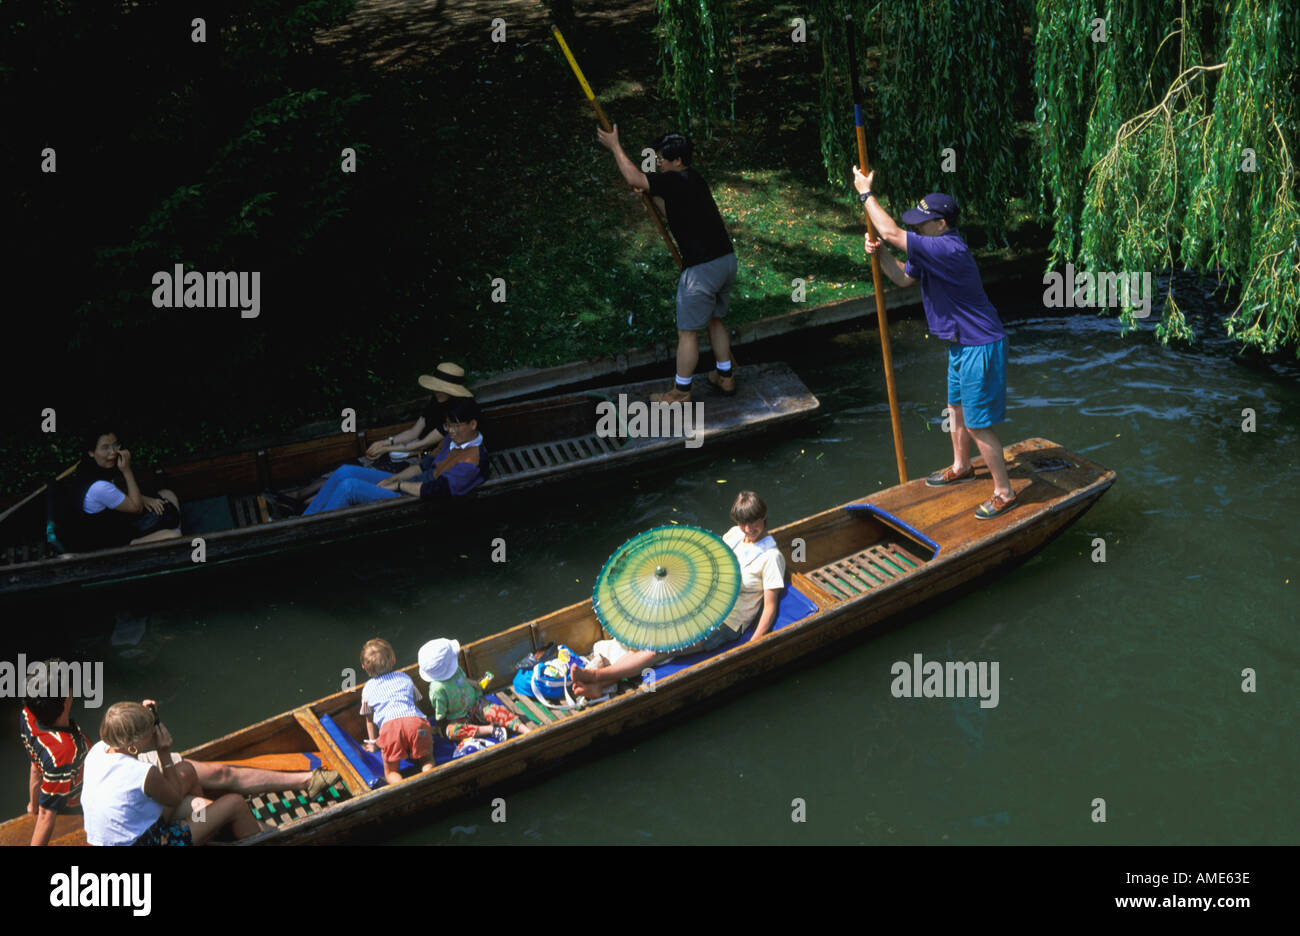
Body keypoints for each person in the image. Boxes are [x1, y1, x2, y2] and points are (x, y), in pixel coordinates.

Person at [853, 167, 1015, 519]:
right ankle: (962, 465)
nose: (916, 226)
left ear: (941, 224)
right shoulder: (929, 250)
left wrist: (866, 195)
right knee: (955, 409)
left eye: (923, 222)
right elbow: (901, 279)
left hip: (980, 344)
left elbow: (891, 231)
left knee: (977, 422)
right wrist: (879, 254)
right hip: (959, 344)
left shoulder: (947, 248)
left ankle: (1004, 490)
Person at [572, 491, 785, 698]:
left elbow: (770, 607)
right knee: (653, 633)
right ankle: (599, 684)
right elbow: (713, 562)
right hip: (705, 604)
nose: (748, 529)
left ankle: (597, 676)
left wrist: (752, 645)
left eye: (753, 522)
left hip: (726, 624)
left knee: (659, 648)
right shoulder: (734, 535)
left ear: (764, 516)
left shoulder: (771, 557)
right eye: (742, 522)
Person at [596, 126, 738, 403]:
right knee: (714, 319)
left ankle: (680, 392)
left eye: (662, 159)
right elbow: (672, 212)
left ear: (677, 161)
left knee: (687, 332)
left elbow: (632, 177)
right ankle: (726, 376)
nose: (658, 162)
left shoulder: (672, 180)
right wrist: (651, 195)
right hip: (725, 261)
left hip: (701, 270)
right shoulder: (693, 179)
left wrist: (614, 146)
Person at [80, 700, 340, 845]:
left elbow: (125, 727)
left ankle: (207, 828)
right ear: (134, 744)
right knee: (235, 804)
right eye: (151, 730)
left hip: (124, 836)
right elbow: (171, 798)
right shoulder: (141, 773)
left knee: (188, 774)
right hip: (151, 843)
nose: (155, 732)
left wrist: (142, 712)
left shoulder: (100, 749)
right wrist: (163, 753)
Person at [281, 363, 475, 507]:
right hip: (411, 459)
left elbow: (422, 445)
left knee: (352, 482)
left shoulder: (456, 420)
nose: (436, 391)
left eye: (441, 388)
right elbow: (414, 432)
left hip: (412, 458)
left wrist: (390, 457)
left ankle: (306, 507)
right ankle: (299, 500)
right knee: (345, 470)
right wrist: (386, 441)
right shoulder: (436, 404)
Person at [301, 397, 487, 515]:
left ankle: (311, 527)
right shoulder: (450, 440)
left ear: (473, 424)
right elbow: (421, 466)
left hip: (417, 497)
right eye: (448, 426)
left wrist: (397, 485)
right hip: (411, 483)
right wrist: (394, 478)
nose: (451, 431)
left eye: (456, 426)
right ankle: (305, 520)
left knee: (349, 487)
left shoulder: (472, 460)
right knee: (345, 472)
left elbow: (435, 490)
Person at [53, 430, 183, 552]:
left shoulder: (90, 468)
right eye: (105, 448)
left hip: (116, 524)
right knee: (174, 536)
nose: (113, 452)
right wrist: (127, 470)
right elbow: (136, 508)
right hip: (111, 543)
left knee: (167, 494)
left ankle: (170, 536)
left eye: (115, 446)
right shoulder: (99, 486)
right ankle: (172, 541)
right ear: (91, 452)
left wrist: (145, 499)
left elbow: (116, 492)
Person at [20, 660, 88, 846]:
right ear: (67, 700)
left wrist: (33, 806)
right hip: (80, 798)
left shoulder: (28, 715)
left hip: (60, 778)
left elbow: (35, 767)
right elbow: (45, 817)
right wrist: (39, 811)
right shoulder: (64, 753)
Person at [418, 638, 532, 747]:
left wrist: (477, 684)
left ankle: (526, 730)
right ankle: (491, 729)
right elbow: (441, 712)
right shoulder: (437, 688)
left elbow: (463, 680)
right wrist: (441, 725)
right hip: (458, 717)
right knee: (452, 731)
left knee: (495, 711)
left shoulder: (454, 671)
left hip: (476, 704)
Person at [359, 639, 436, 785]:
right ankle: (429, 779)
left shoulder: (367, 689)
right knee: (427, 759)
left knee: (392, 772)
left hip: (390, 730)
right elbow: (415, 704)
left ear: (364, 667)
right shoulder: (404, 678)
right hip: (415, 724)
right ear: (393, 660)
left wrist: (374, 743)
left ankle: (403, 789)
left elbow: (369, 720)